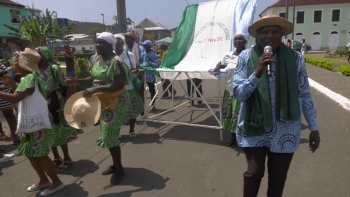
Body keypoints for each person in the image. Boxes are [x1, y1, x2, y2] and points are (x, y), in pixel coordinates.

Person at [233, 15, 320, 197]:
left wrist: (313, 127)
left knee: (278, 179)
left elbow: (304, 92)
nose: (270, 36)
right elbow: (239, 94)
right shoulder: (245, 57)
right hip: (254, 125)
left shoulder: (296, 59)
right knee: (254, 172)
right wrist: (257, 72)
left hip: (285, 129)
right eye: (265, 32)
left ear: (282, 34)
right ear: (258, 36)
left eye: (275, 31)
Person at [66, 32, 131, 185]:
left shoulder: (116, 62)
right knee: (108, 134)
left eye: (101, 43)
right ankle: (115, 164)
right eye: (97, 42)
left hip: (116, 101)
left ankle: (119, 169)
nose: (97, 45)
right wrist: (79, 81)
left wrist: (95, 90)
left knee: (109, 135)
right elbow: (93, 78)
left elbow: (119, 84)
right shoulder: (96, 58)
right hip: (101, 101)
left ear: (110, 45)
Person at [0, 48, 65, 196]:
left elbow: (16, 98)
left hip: (34, 123)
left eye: (14, 62)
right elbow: (23, 94)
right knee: (30, 152)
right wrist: (10, 83)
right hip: (30, 122)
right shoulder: (32, 76)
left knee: (40, 154)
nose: (12, 65)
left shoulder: (30, 78)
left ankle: (56, 182)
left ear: (21, 64)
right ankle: (43, 180)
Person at [35, 46, 82, 172]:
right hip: (44, 105)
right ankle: (56, 157)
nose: (37, 56)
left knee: (59, 132)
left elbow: (67, 87)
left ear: (46, 55)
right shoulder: (35, 70)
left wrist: (66, 106)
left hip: (57, 103)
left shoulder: (53, 68)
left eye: (39, 54)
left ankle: (67, 158)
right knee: (49, 132)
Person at [213, 32, 247, 147]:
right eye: (236, 39)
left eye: (240, 39)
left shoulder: (249, 55)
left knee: (240, 116)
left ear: (245, 41)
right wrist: (217, 67)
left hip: (242, 91)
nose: (237, 41)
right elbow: (221, 63)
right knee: (230, 115)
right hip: (229, 91)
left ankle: (243, 138)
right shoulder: (228, 55)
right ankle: (233, 138)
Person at [114, 34, 144, 138]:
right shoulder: (110, 55)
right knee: (117, 112)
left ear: (123, 43)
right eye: (115, 42)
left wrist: (128, 73)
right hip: (115, 89)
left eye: (119, 42)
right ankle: (116, 133)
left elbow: (135, 68)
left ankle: (131, 130)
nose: (117, 44)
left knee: (132, 110)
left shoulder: (129, 54)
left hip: (130, 87)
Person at [0, 62, 19, 145]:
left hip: (4, 91)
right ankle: (2, 134)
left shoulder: (1, 66)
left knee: (9, 115)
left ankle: (14, 135)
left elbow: (6, 76)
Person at [140, 40, 160, 111]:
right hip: (142, 75)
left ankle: (153, 104)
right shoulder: (142, 52)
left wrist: (149, 62)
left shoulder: (153, 54)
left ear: (149, 46)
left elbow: (156, 65)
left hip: (150, 76)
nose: (143, 46)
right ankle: (141, 107)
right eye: (143, 45)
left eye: (145, 45)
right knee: (140, 90)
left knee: (152, 90)